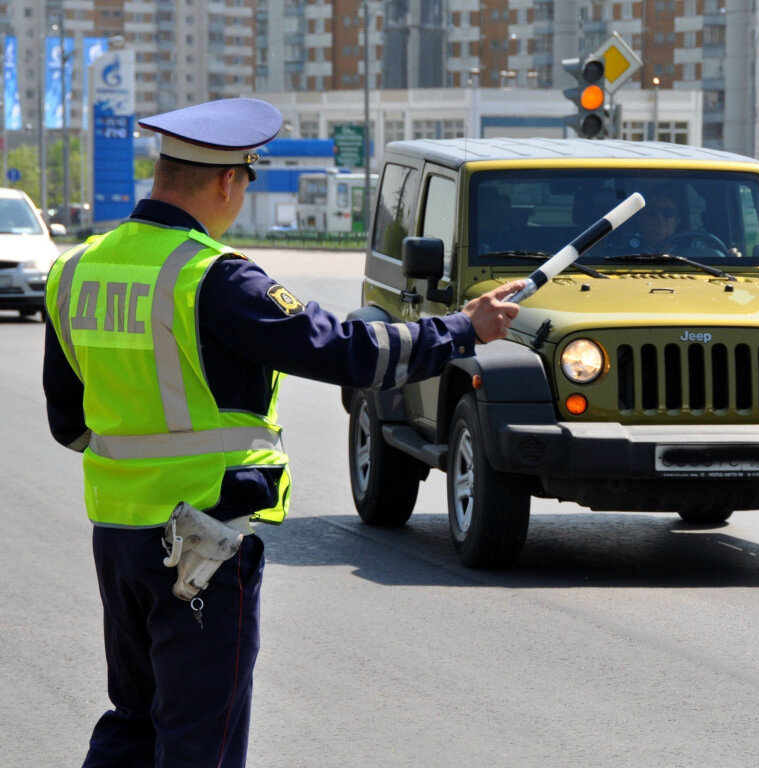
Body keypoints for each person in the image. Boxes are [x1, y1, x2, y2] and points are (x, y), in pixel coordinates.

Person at [42, 97, 524, 768]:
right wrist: (463, 328)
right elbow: (351, 353)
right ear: (226, 181)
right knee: (198, 737)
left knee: (134, 721)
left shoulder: (76, 270)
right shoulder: (212, 276)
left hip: (117, 540)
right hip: (199, 544)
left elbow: (68, 423)